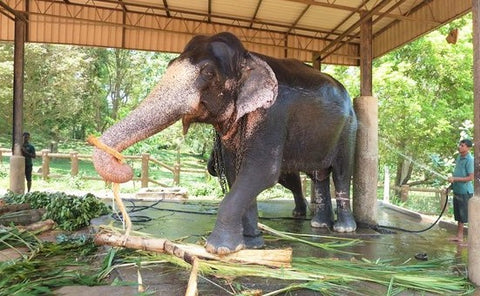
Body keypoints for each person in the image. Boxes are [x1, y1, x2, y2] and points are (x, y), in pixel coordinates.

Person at [447, 139, 474, 244]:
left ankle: (473, 240)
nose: (460, 147)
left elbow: (470, 178)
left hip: (465, 192)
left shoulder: (470, 160)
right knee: (459, 215)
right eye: (460, 145)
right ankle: (459, 236)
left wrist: (455, 179)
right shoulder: (459, 157)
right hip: (457, 190)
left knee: (466, 216)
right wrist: (450, 187)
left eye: (462, 146)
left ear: (468, 148)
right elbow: (457, 174)